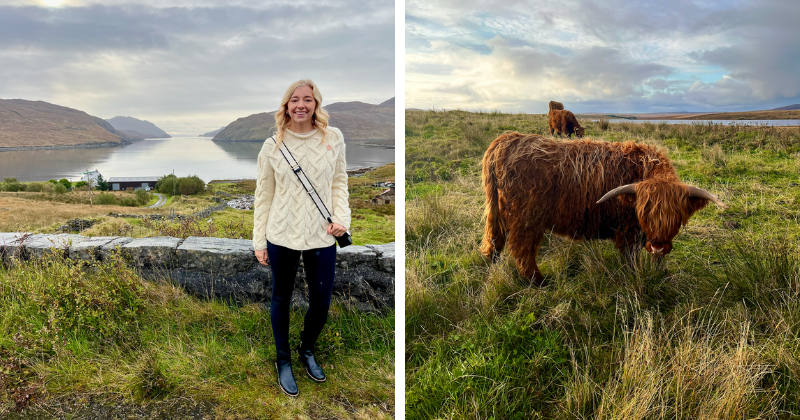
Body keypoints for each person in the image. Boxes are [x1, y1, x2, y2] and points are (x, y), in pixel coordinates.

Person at [252, 79, 350, 397]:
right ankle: (284, 362)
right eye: (294, 100)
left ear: (316, 105)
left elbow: (339, 183)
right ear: (286, 106)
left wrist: (342, 220)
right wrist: (259, 241)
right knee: (281, 297)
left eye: (307, 99)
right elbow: (263, 196)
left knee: (320, 303)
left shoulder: (333, 139)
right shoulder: (273, 146)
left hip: (321, 235)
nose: (301, 105)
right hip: (281, 234)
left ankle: (306, 350)